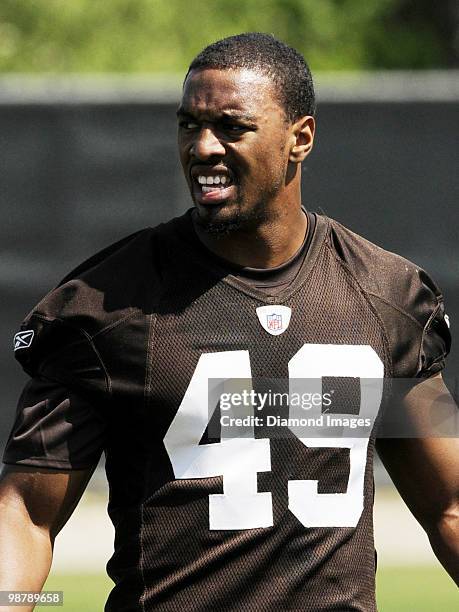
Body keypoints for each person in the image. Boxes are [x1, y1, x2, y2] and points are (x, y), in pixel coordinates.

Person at [0, 33, 458, 612]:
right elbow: (25, 513)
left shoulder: (388, 295)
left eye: (231, 127)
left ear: (301, 138)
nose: (203, 147)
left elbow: (450, 504)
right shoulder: (103, 305)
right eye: (189, 125)